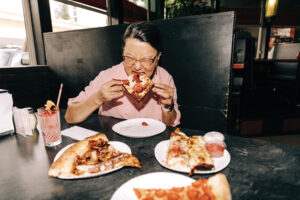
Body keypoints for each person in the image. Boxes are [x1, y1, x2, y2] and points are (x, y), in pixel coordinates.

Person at [65, 21, 181, 126]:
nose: (137, 67)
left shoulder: (165, 78)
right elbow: (70, 117)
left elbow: (170, 123)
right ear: (123, 52)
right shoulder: (107, 76)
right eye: (129, 57)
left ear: (158, 57)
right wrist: (98, 98)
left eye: (146, 59)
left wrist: (167, 107)